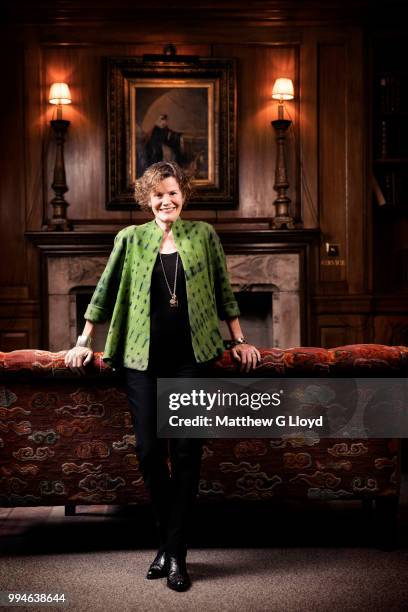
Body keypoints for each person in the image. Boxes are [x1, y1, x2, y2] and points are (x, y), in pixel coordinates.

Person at [64, 161, 261, 592]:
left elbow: (224, 290)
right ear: (147, 200)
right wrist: (83, 340)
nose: (166, 200)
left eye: (172, 192)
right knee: (150, 452)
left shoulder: (203, 235)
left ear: (183, 195)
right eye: (157, 195)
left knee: (188, 456)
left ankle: (176, 554)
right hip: (142, 361)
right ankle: (168, 543)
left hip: (192, 360)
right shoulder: (130, 239)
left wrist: (239, 340)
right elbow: (104, 290)